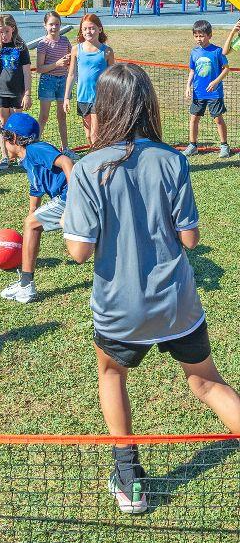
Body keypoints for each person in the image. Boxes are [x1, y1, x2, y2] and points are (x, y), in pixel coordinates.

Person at [63, 63, 240, 514]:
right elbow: (190, 238)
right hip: (177, 303)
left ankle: (128, 478)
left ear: (103, 109)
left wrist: (68, 218)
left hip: (119, 309)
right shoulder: (173, 159)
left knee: (111, 375)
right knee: (205, 382)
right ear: (148, 106)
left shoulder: (87, 169)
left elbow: (78, 251)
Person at [0, 113, 74, 304]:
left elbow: (66, 161)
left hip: (70, 196)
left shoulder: (35, 150)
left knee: (31, 225)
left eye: (5, 136)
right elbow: (36, 188)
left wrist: (75, 197)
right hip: (67, 197)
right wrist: (32, 212)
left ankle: (26, 287)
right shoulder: (27, 159)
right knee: (31, 223)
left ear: (13, 138)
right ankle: (25, 283)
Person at [0, 13, 32, 171]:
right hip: (0, 90)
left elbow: (26, 72)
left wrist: (27, 93)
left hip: (17, 91)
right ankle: (5, 156)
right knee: (3, 124)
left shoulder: (20, 45)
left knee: (16, 125)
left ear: (13, 29)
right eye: (0, 31)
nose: (3, 35)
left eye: (6, 31)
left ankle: (19, 154)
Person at [63, 13, 114, 148]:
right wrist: (66, 97)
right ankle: (95, 153)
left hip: (99, 97)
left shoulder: (107, 51)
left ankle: (96, 159)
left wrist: (111, 96)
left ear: (99, 29)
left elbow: (112, 77)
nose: (88, 32)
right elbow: (71, 75)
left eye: (91, 28)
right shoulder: (76, 49)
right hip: (83, 97)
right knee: (88, 135)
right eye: (85, 29)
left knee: (94, 134)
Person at [183, 19, 230, 158]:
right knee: (194, 120)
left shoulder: (217, 51)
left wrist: (216, 82)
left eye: (202, 35)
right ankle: (192, 146)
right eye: (196, 36)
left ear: (209, 35)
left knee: (218, 120)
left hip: (214, 93)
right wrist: (188, 86)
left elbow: (226, 69)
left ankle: (224, 146)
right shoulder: (194, 52)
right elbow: (192, 71)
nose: (199, 39)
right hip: (198, 93)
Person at [35, 11, 75, 159]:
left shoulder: (65, 41)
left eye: (57, 24)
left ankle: (65, 148)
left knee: (62, 116)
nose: (54, 27)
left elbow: (72, 60)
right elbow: (39, 68)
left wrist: (70, 61)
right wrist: (57, 64)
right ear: (45, 26)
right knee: (44, 116)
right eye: (51, 24)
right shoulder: (43, 44)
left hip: (63, 81)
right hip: (48, 81)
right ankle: (33, 147)